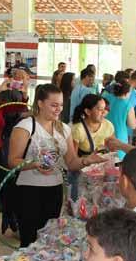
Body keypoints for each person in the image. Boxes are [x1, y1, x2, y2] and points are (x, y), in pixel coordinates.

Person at [8, 84, 105, 247]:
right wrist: (34, 164)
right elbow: (12, 161)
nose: (58, 109)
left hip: (54, 190)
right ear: (40, 103)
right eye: (53, 105)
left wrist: (87, 160)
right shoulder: (26, 126)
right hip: (29, 190)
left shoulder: (64, 129)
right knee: (29, 239)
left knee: (48, 238)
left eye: (61, 105)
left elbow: (72, 163)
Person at [69, 94, 114, 199]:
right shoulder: (78, 129)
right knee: (80, 202)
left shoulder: (108, 126)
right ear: (88, 112)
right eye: (99, 109)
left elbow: (112, 150)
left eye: (105, 109)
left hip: (100, 173)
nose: (104, 112)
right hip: (81, 173)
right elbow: (72, 160)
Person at [102, 80, 136, 158]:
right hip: (119, 136)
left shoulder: (106, 98)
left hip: (103, 133)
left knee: (103, 159)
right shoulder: (127, 104)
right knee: (116, 163)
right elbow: (132, 125)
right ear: (127, 92)